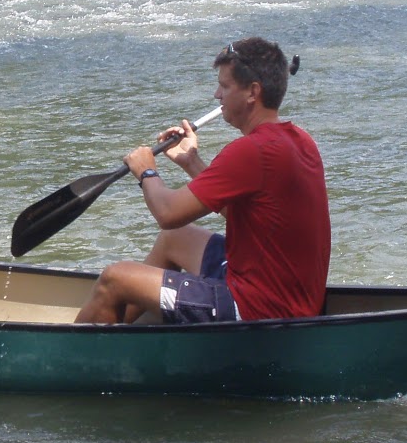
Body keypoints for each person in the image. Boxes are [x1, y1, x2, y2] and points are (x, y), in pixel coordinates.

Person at [74, 37, 329, 325]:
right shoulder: (300, 140)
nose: (216, 95)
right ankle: (120, 323)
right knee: (175, 239)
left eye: (225, 86)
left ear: (252, 93)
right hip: (289, 298)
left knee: (114, 278)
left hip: (256, 310)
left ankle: (73, 358)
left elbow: (167, 213)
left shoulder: (250, 151)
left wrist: (146, 171)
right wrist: (191, 162)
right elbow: (245, 215)